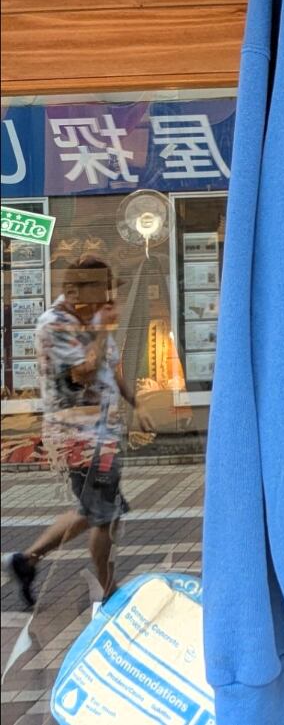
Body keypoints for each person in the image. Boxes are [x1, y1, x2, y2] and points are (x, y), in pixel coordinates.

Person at [2, 254, 154, 610]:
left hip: (100, 434)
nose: (109, 300)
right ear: (74, 292)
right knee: (104, 514)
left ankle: (26, 560)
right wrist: (102, 331)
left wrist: (136, 404)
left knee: (95, 509)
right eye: (103, 292)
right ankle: (108, 591)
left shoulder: (92, 318)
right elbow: (82, 374)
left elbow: (109, 367)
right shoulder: (54, 326)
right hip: (78, 438)